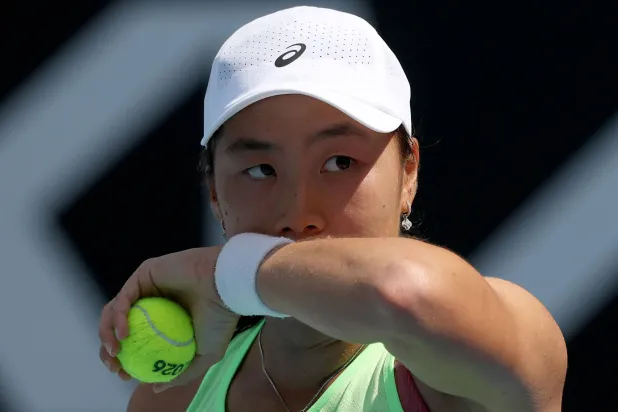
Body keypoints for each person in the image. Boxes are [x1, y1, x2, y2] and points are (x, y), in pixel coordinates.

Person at [98, 6, 567, 412]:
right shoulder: (171, 398)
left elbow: (403, 292)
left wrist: (222, 274)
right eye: (261, 169)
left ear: (409, 174)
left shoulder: (500, 348)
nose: (300, 212)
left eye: (339, 162)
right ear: (215, 195)